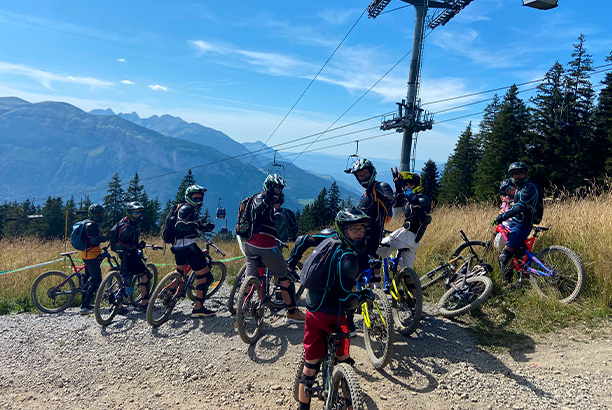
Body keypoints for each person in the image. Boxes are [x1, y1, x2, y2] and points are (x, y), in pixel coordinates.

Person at [297, 208, 374, 410]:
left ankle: (303, 407)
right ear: (344, 230)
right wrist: (364, 296)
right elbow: (346, 298)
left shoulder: (331, 242)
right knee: (344, 360)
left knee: (311, 363)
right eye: (353, 229)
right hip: (333, 314)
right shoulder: (349, 259)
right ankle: (351, 406)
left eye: (361, 228)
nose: (359, 232)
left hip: (313, 309)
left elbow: (303, 241)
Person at [244, 174, 305, 323]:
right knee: (285, 276)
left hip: (249, 245)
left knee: (250, 280)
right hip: (265, 246)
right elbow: (258, 210)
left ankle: (242, 312)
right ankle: (292, 312)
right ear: (269, 186)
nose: (278, 190)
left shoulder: (252, 198)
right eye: (276, 187)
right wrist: (268, 199)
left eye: (280, 188)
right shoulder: (264, 199)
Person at [346, 159, 394, 335]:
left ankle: (349, 322)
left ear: (372, 172)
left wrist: (393, 195)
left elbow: (390, 197)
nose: (363, 177)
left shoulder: (379, 186)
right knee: (368, 277)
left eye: (365, 173)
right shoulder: (368, 192)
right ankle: (370, 309)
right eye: (360, 175)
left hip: (367, 242)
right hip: (364, 241)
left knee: (348, 277)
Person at [171, 184, 216, 318]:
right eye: (195, 197)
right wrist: (196, 224)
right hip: (188, 247)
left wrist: (204, 227)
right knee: (204, 275)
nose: (198, 200)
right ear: (188, 197)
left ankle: (169, 293)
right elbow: (180, 225)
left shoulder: (184, 208)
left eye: (200, 198)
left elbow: (189, 225)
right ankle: (198, 308)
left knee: (181, 272)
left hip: (177, 247)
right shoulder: (186, 208)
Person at [492, 162, 541, 284]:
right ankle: (522, 277)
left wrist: (502, 217)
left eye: (520, 173)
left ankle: (507, 285)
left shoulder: (528, 188)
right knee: (518, 253)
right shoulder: (519, 189)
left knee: (504, 256)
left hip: (522, 225)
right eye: (515, 174)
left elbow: (518, 208)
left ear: (525, 174)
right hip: (516, 223)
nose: (518, 176)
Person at [376, 170, 432, 270]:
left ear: (417, 185)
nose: (407, 187)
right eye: (405, 184)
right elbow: (398, 202)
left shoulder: (422, 199)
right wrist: (398, 186)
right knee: (407, 270)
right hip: (414, 241)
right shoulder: (409, 201)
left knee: (376, 248)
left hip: (407, 234)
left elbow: (425, 217)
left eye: (411, 184)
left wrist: (414, 201)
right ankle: (411, 285)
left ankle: (375, 283)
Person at [114, 201, 153, 312]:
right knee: (146, 275)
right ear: (129, 213)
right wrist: (137, 246)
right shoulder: (129, 227)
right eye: (135, 213)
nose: (138, 215)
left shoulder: (123, 222)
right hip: (130, 255)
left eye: (139, 212)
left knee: (124, 276)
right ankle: (144, 304)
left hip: (122, 254)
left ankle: (119, 306)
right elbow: (127, 243)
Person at [79, 204, 109, 315]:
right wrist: (105, 237)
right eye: (97, 213)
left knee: (88, 279)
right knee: (96, 280)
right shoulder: (91, 225)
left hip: (90, 255)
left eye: (101, 213)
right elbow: (93, 241)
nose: (100, 215)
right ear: (92, 214)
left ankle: (84, 303)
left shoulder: (91, 223)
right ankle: (85, 307)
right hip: (90, 256)